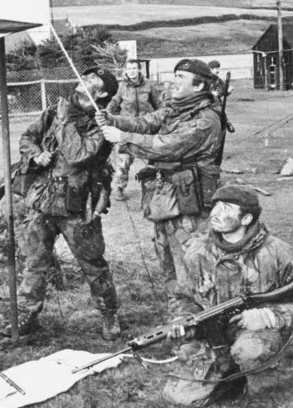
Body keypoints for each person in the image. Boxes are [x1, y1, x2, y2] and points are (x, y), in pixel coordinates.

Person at [162, 185, 293, 408]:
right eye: (215, 205)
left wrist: (267, 316)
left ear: (246, 218)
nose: (215, 212)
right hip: (213, 331)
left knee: (250, 351)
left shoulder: (280, 254)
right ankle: (234, 376)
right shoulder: (197, 251)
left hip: (257, 332)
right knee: (180, 397)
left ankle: (259, 391)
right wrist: (182, 318)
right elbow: (182, 296)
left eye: (226, 208)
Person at [95, 59, 224, 297]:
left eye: (180, 78)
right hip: (166, 197)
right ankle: (179, 312)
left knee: (189, 258)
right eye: (174, 76)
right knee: (165, 254)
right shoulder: (176, 108)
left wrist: (123, 137)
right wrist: (112, 120)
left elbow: (167, 146)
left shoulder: (206, 118)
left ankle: (201, 316)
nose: (173, 82)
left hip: (189, 201)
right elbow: (146, 122)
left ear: (198, 86)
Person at [15, 66, 123, 340]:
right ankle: (27, 315)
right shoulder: (54, 112)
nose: (85, 79)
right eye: (85, 76)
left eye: (93, 79)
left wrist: (64, 121)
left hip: (78, 205)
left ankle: (108, 313)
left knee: (92, 264)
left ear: (104, 92)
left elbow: (78, 155)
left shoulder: (102, 125)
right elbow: (27, 137)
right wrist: (36, 154)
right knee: (34, 261)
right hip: (44, 200)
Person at [105, 59, 164, 200]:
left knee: (153, 158)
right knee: (123, 159)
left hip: (145, 128)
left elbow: (159, 106)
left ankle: (155, 186)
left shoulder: (149, 86)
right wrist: (108, 117)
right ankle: (119, 187)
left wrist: (160, 122)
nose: (131, 71)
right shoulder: (122, 87)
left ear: (139, 70)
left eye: (134, 68)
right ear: (126, 70)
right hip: (127, 128)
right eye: (129, 68)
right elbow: (113, 104)